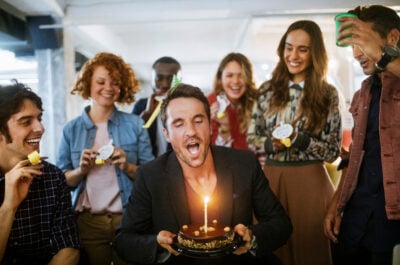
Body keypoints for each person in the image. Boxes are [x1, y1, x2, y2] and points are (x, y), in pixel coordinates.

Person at [114, 83, 292, 265]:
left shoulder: (244, 164)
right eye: (179, 123)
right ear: (166, 134)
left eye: (198, 121)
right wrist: (156, 243)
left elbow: (280, 224)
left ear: (210, 127)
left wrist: (251, 237)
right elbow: (124, 241)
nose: (191, 131)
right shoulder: (150, 175)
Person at [247, 20, 342, 265]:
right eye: (289, 48)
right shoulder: (267, 90)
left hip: (311, 182)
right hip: (272, 179)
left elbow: (332, 152)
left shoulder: (327, 93)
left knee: (310, 248)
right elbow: (251, 138)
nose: (293, 55)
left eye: (303, 49)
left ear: (315, 53)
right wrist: (270, 145)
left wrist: (301, 141)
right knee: (271, 250)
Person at [56, 52, 154, 265]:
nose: (108, 88)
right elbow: (61, 183)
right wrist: (81, 170)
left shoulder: (135, 125)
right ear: (87, 84)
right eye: (101, 82)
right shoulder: (71, 130)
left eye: (115, 83)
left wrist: (127, 166)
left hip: (128, 219)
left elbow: (150, 178)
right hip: (88, 222)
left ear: (123, 87)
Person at [324, 5, 400, 265]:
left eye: (361, 42)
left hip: (391, 223)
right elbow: (353, 155)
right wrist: (337, 204)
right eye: (352, 46)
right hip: (356, 219)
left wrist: (383, 56)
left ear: (392, 38)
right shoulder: (363, 93)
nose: (356, 54)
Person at [0, 82, 80, 265]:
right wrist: (8, 207)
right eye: (26, 122)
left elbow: (68, 248)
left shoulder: (53, 177)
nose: (40, 128)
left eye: (39, 118)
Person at [207, 52, 258, 150]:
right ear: (220, 79)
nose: (235, 81)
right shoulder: (210, 104)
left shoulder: (257, 102)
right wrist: (225, 127)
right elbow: (214, 152)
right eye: (229, 75)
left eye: (241, 76)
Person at [133, 56, 181, 157]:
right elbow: (129, 144)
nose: (164, 85)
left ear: (179, 81)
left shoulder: (187, 107)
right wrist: (144, 119)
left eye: (171, 79)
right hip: (148, 168)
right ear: (153, 80)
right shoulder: (141, 106)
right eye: (159, 78)